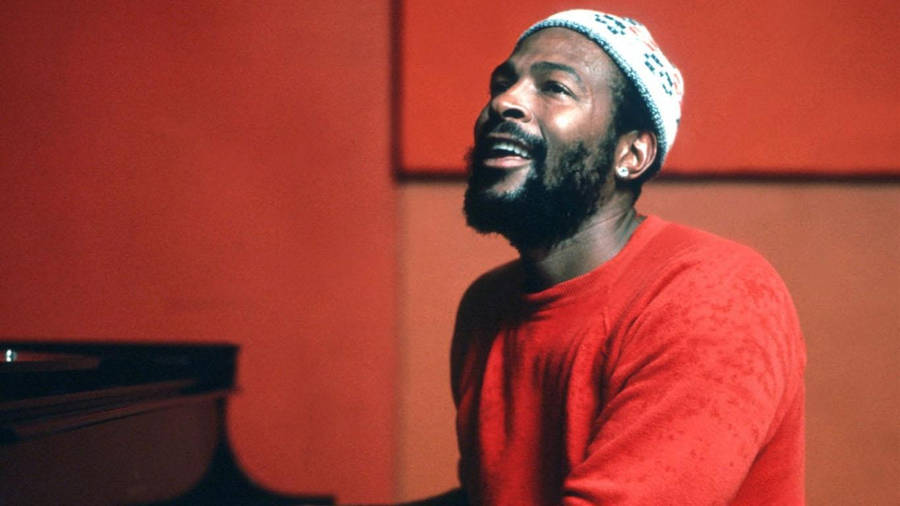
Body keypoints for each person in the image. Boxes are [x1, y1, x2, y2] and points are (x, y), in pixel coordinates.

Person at [410, 9, 805, 506]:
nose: (505, 102)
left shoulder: (717, 294)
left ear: (631, 155)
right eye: (502, 84)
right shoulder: (486, 307)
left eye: (555, 88)